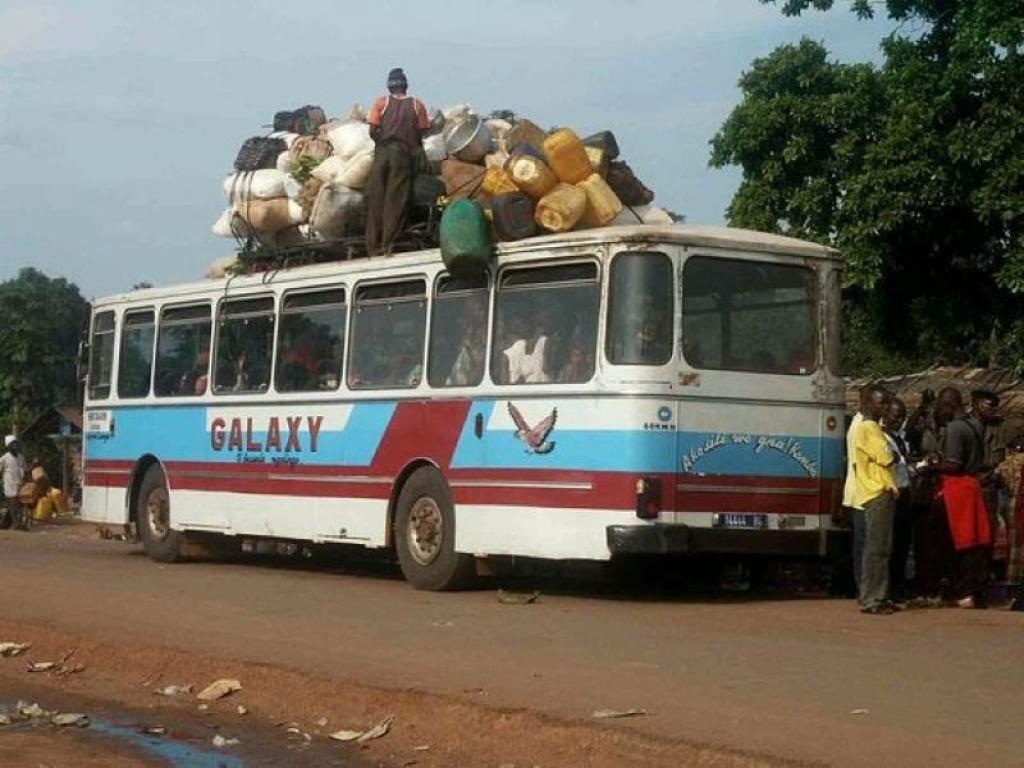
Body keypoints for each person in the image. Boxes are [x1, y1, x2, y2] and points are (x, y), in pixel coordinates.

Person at [932, 387, 992, 609]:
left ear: (949, 404)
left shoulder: (955, 428)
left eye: (941, 404)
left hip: (957, 489)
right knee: (972, 543)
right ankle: (970, 591)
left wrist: (932, 465)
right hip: (971, 486)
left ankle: (962, 591)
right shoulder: (974, 426)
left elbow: (953, 464)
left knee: (957, 543)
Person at [365, 68, 430, 257]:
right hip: (402, 155)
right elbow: (423, 131)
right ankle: (388, 244)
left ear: (389, 86)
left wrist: (382, 142)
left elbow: (372, 131)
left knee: (376, 198)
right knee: (396, 200)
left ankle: (372, 245)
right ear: (405, 86)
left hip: (382, 153)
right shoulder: (417, 105)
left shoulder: (381, 103)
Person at [851, 384, 899, 614]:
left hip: (877, 491)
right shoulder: (868, 428)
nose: (886, 407)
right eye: (883, 403)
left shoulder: (870, 428)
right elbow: (887, 457)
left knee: (880, 547)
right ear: (869, 403)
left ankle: (877, 595)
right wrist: (891, 453)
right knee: (877, 548)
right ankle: (872, 598)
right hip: (877, 491)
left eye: (888, 403)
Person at [882, 396, 914, 601]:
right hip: (890, 493)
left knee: (902, 544)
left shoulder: (900, 439)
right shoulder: (881, 438)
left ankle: (898, 587)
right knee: (889, 545)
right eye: (895, 416)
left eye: (902, 417)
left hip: (905, 492)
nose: (898, 420)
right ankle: (888, 589)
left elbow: (904, 466)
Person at [843, 386, 868, 593]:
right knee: (864, 545)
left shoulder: (861, 424)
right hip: (863, 492)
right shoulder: (862, 426)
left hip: (861, 491)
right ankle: (864, 589)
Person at [0, 435, 27, 531]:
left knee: (13, 506)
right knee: (15, 506)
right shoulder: (4, 459)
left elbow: (25, 471)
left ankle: (4, 524)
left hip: (20, 486)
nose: (15, 446)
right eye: (13, 444)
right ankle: (17, 525)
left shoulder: (21, 457)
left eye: (16, 443)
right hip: (9, 487)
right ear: (8, 446)